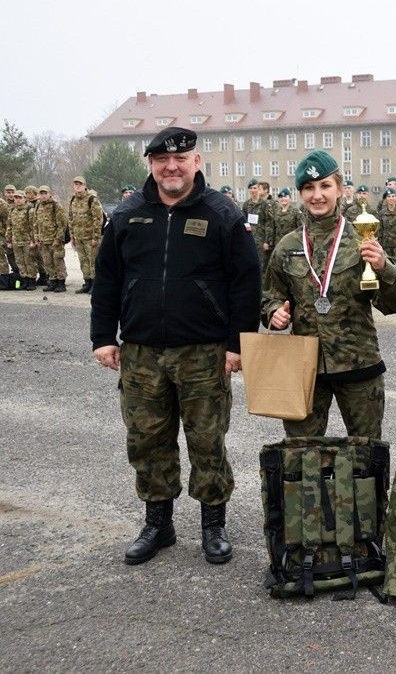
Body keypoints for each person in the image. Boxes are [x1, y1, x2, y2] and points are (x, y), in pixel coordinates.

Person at [91, 126, 261, 566]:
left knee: (207, 440)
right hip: (141, 352)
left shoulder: (223, 213)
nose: (171, 166)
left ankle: (212, 524)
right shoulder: (128, 214)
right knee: (147, 439)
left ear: (196, 162)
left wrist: (238, 343)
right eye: (162, 160)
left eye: (180, 159)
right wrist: (103, 337)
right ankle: (158, 523)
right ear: (150, 164)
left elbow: (246, 282)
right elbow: (107, 277)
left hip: (204, 352)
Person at [262, 151, 396, 439]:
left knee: (366, 455)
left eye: (325, 186)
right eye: (309, 188)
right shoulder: (288, 245)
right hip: (306, 366)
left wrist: (383, 266)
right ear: (300, 194)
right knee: (302, 454)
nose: (317, 195)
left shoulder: (362, 239)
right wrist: (274, 313)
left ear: (341, 190)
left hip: (358, 363)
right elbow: (271, 294)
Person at [68, 176, 104, 294]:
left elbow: (98, 219)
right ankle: (87, 283)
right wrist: (72, 236)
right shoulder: (73, 199)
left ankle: (95, 284)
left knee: (93, 261)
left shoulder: (92, 199)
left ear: (85, 186)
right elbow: (71, 218)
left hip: (90, 237)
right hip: (79, 237)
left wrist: (96, 237)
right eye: (76, 184)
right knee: (83, 261)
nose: (78, 186)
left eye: (80, 184)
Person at [32, 185, 68, 292]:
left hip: (54, 240)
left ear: (49, 194)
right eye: (41, 194)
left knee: (58, 261)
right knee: (47, 262)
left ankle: (61, 283)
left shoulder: (56, 206)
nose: (43, 196)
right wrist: (37, 238)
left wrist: (58, 239)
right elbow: (35, 224)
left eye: (45, 193)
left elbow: (62, 224)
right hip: (43, 240)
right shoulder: (38, 206)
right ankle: (53, 281)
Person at [5, 190, 39, 289]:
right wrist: (9, 240)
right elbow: (9, 226)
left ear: (25, 199)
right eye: (16, 198)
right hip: (16, 240)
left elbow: (33, 226)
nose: (18, 200)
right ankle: (25, 280)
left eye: (20, 198)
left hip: (27, 241)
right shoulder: (12, 210)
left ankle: (32, 281)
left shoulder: (29, 210)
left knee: (29, 261)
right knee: (20, 262)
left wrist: (34, 240)